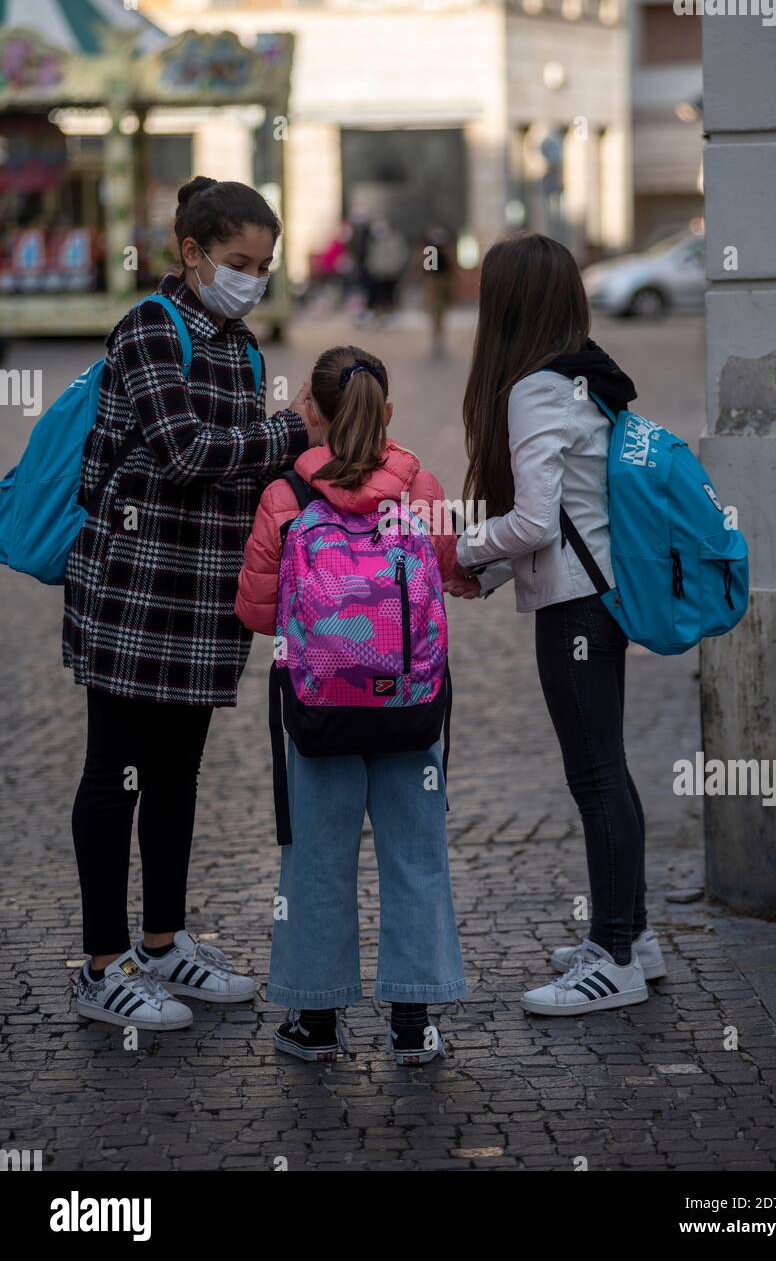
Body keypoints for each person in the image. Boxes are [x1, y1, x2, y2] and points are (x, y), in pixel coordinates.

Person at [66, 176, 317, 1031]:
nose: (254, 277)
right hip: (135, 591)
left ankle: (164, 944)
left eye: (266, 265)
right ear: (193, 254)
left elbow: (240, 465)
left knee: (177, 774)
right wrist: (293, 432)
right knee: (116, 772)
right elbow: (184, 452)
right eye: (241, 262)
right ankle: (103, 964)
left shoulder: (242, 346)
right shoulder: (149, 328)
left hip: (205, 596)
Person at [236, 344, 467, 1064]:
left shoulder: (286, 495)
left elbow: (260, 610)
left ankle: (315, 1022)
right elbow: (451, 569)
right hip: (411, 704)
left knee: (316, 857)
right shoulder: (419, 484)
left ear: (312, 413)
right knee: (416, 854)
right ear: (386, 412)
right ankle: (412, 1022)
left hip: (319, 709)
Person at [455, 231, 667, 1016]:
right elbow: (575, 508)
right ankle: (632, 936)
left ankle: (612, 955)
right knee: (608, 767)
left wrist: (464, 550)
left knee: (596, 774)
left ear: (505, 305)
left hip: (575, 605)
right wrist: (494, 565)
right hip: (602, 595)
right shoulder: (589, 377)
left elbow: (537, 520)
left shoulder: (537, 388)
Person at [420, 224, 456, 356]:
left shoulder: (435, 250)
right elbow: (427, 268)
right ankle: (437, 338)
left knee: (438, 311)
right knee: (436, 311)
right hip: (435, 281)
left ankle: (438, 338)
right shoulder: (433, 251)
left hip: (439, 280)